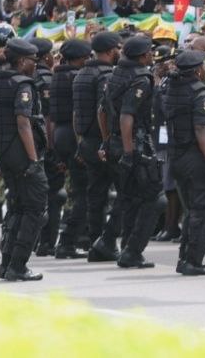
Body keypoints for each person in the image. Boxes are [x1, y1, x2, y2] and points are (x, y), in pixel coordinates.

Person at [0, 38, 48, 281]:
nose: (36, 65)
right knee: (34, 208)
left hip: (3, 152)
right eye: (33, 61)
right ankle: (18, 265)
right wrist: (34, 160)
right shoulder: (23, 85)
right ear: (22, 61)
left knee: (16, 207)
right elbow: (23, 122)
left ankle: (6, 264)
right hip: (22, 154)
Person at [106, 33, 165, 269]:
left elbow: (103, 111)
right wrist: (130, 152)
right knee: (154, 198)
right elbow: (127, 116)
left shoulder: (115, 75)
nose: (152, 54)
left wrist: (107, 141)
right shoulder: (140, 79)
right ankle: (133, 249)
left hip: (116, 143)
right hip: (135, 144)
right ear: (142, 56)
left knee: (129, 198)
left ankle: (127, 250)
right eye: (150, 51)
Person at [164, 48, 205, 276]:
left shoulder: (170, 88)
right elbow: (201, 128)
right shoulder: (200, 93)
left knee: (191, 209)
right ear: (198, 70)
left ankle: (184, 258)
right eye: (203, 66)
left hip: (176, 156)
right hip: (195, 156)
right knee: (202, 210)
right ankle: (193, 261)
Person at [78, 31, 123, 262]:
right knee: (125, 192)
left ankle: (95, 240)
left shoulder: (81, 74)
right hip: (102, 140)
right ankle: (105, 241)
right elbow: (103, 111)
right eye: (117, 48)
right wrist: (108, 141)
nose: (119, 52)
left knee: (95, 194)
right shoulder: (105, 75)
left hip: (86, 140)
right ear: (109, 51)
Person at [49, 38, 92, 258]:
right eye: (86, 58)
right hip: (73, 136)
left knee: (76, 190)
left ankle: (79, 237)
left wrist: (53, 148)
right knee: (83, 192)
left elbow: (51, 117)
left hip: (59, 135)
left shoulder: (57, 76)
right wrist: (81, 145)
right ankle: (68, 241)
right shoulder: (76, 78)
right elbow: (77, 114)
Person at [30, 37, 66, 257]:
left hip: (28, 146)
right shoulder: (46, 79)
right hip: (44, 145)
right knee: (54, 195)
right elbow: (48, 118)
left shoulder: (26, 77)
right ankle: (46, 242)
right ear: (45, 57)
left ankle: (32, 240)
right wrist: (53, 150)